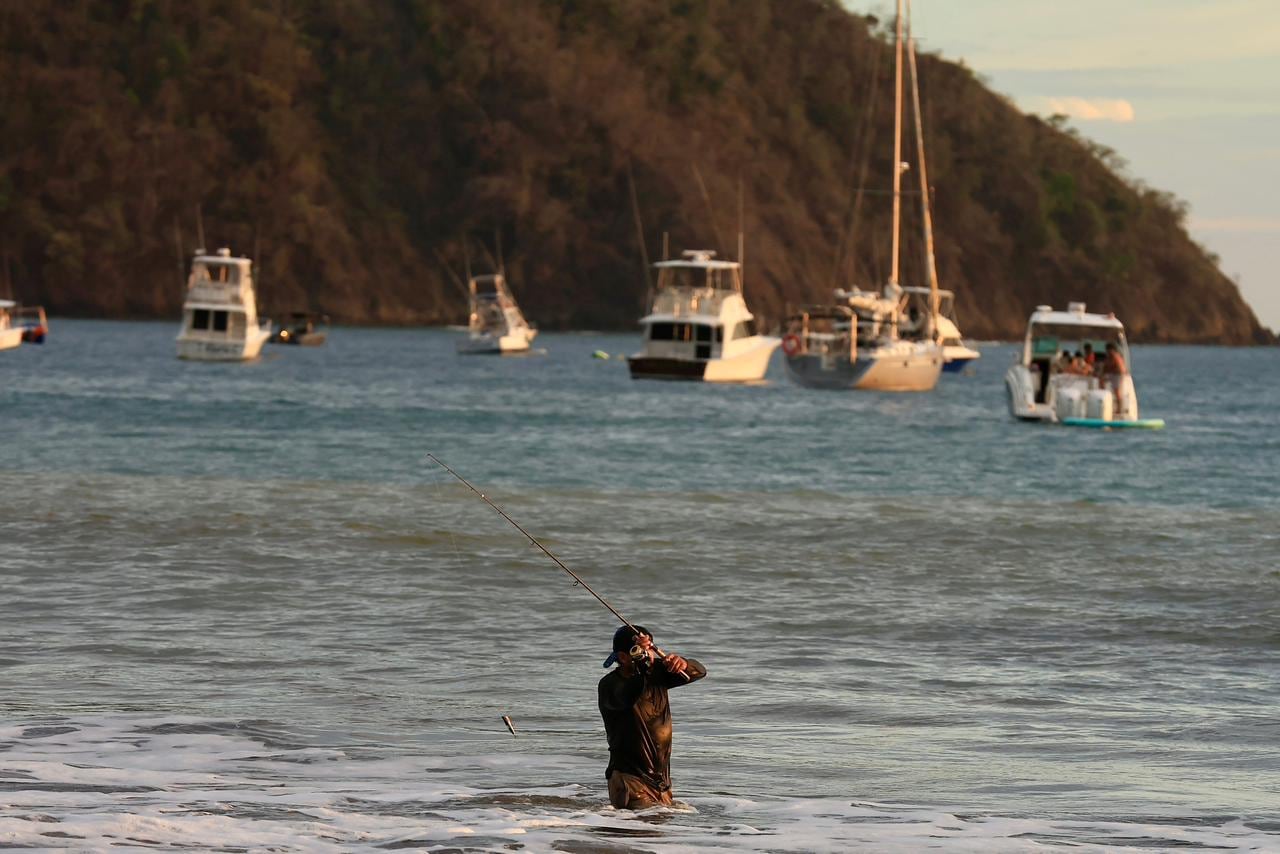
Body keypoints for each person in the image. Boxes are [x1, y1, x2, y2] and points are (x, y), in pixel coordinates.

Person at [598, 624, 706, 810]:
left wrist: (683, 663)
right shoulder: (610, 685)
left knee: (659, 833)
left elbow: (699, 672)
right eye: (637, 651)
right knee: (638, 832)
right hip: (629, 779)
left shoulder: (657, 675)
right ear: (622, 657)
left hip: (661, 782)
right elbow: (630, 693)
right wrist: (645, 664)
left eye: (648, 650)